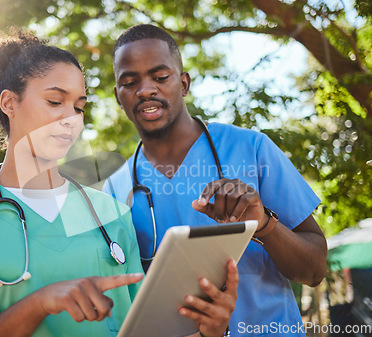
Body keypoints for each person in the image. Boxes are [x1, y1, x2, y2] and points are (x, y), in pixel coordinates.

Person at [0, 29, 237, 337]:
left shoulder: (110, 215)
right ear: (9, 102)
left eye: (79, 106)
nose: (71, 120)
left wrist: (207, 331)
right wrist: (39, 304)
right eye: (55, 101)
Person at [104, 24, 328, 337]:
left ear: (184, 83)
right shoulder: (113, 191)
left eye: (159, 76)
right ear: (118, 95)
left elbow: (315, 270)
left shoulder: (252, 149)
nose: (145, 90)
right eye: (130, 82)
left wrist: (264, 224)